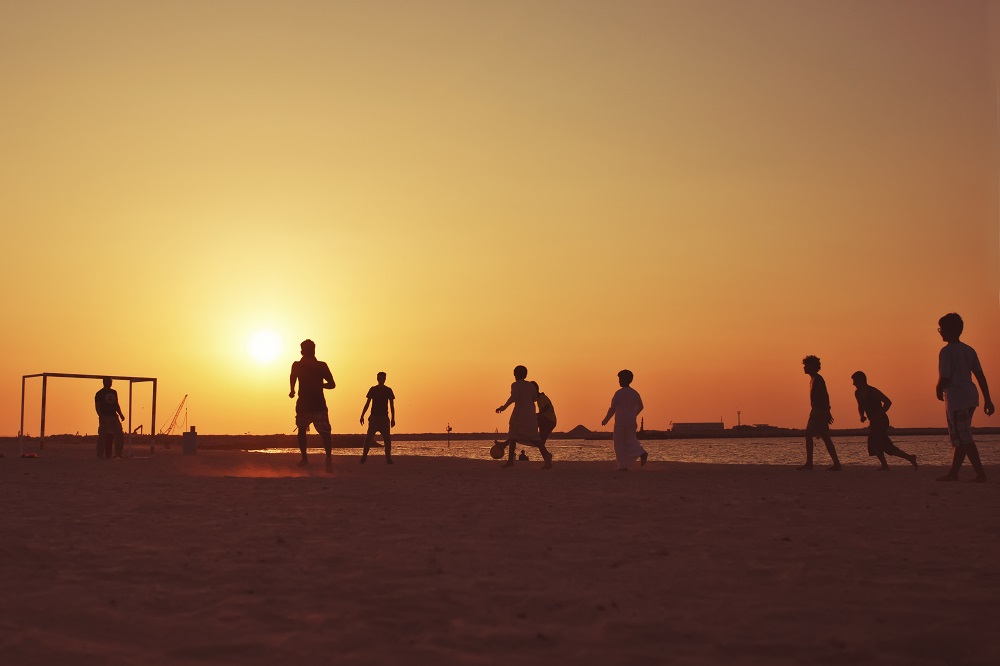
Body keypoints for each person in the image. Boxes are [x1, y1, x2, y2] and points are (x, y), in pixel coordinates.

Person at [935, 313, 994, 482]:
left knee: (964, 436)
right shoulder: (969, 350)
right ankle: (954, 473)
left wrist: (938, 388)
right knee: (961, 435)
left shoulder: (946, 352)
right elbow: (980, 376)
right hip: (970, 395)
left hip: (957, 397)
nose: (940, 332)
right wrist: (987, 399)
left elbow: (945, 376)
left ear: (950, 330)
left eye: (942, 329)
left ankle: (980, 473)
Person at [851, 371, 917, 471]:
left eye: (855, 381)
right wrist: (861, 416)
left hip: (882, 421)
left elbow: (888, 402)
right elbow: (860, 406)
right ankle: (887, 465)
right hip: (873, 421)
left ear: (861, 380)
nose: (853, 384)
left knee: (884, 444)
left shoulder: (873, 391)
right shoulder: (857, 393)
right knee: (875, 443)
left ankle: (909, 458)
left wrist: (879, 414)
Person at [289, 339, 336, 473]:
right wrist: (292, 390)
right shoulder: (314, 365)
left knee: (308, 431)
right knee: (322, 432)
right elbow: (293, 377)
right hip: (311, 404)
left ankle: (310, 458)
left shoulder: (317, 365)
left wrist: (292, 390)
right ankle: (324, 458)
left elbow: (332, 384)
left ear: (303, 351)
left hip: (313, 404)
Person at [494, 365, 552, 469]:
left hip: (520, 414)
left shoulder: (515, 385)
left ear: (515, 375)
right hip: (530, 414)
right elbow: (534, 398)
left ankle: (510, 461)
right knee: (534, 437)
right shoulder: (530, 386)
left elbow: (513, 397)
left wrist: (503, 407)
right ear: (525, 375)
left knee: (512, 435)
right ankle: (546, 455)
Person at [798, 356, 842, 471]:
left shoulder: (818, 379)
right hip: (818, 410)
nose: (804, 368)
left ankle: (809, 463)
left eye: (806, 366)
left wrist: (827, 411)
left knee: (809, 434)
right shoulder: (813, 379)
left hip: (819, 410)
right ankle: (836, 464)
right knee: (826, 437)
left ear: (812, 366)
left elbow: (824, 396)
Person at [601, 369, 648, 471]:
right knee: (631, 440)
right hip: (631, 421)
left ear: (624, 380)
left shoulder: (619, 393)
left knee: (619, 442)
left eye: (620, 379)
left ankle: (622, 465)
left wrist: (605, 420)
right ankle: (641, 452)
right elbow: (641, 406)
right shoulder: (635, 393)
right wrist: (633, 414)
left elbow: (612, 408)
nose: (619, 381)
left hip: (621, 421)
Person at [360, 371, 395, 464]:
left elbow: (392, 406)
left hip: (384, 418)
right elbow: (367, 403)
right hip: (374, 417)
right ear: (377, 379)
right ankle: (364, 457)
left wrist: (393, 419)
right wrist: (362, 415)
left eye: (384, 378)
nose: (382, 380)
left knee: (387, 439)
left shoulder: (388, 390)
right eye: (381, 378)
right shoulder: (373, 389)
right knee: (368, 438)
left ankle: (388, 458)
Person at [94, 378, 125, 458]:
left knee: (119, 434)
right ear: (104, 382)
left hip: (114, 416)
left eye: (111, 382)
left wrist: (120, 414)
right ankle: (99, 454)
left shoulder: (114, 392)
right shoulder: (99, 393)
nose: (110, 383)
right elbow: (97, 406)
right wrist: (100, 416)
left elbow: (116, 404)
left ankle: (118, 453)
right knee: (102, 436)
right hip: (105, 416)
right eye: (109, 382)